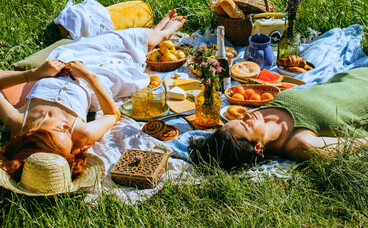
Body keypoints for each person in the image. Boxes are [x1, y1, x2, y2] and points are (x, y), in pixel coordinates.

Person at [0, 10, 186, 182]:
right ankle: (162, 35)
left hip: (69, 57)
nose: (66, 127)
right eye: (69, 136)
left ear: (33, 135)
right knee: (131, 57)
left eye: (58, 130)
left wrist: (34, 74)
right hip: (97, 77)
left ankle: (158, 34)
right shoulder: (81, 132)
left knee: (122, 39)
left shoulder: (18, 121)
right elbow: (113, 115)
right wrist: (89, 76)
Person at [189, 67, 368, 171]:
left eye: (238, 119)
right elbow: (359, 143)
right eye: (245, 124)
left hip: (351, 76)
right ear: (258, 147)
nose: (245, 115)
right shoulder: (300, 142)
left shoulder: (261, 115)